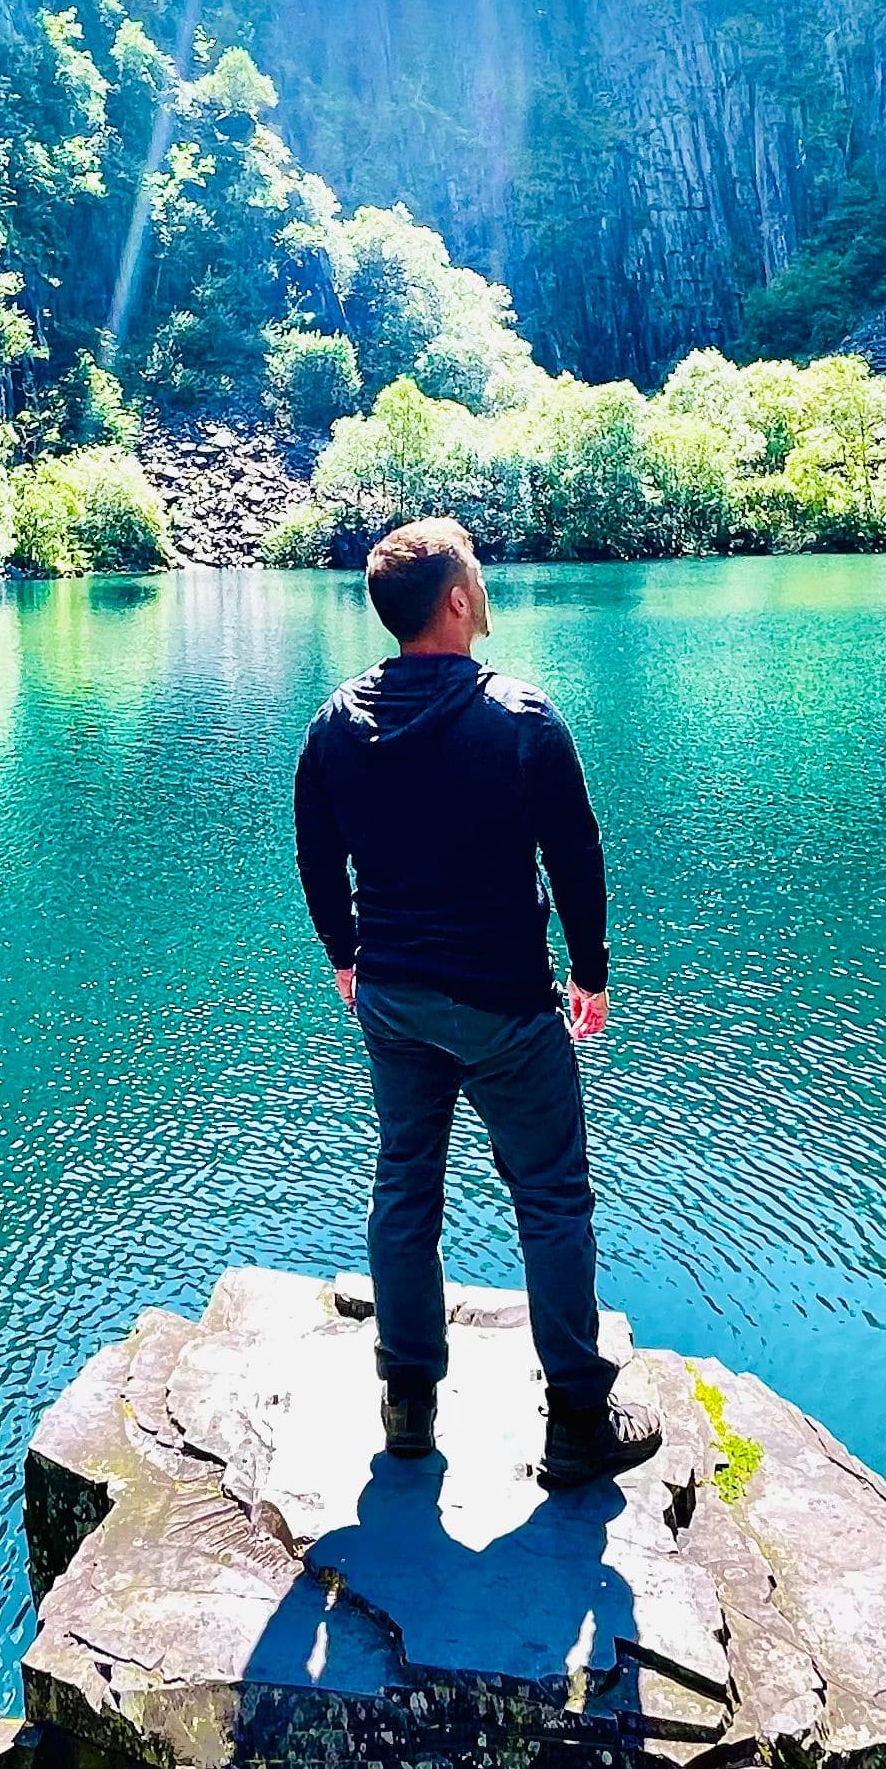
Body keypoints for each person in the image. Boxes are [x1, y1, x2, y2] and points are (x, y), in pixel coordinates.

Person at [291, 516, 661, 1489]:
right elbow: (576, 859)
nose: (485, 588)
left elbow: (316, 855)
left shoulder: (335, 724)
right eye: (478, 576)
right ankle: (579, 1417)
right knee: (549, 1197)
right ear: (456, 600)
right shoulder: (522, 718)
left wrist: (345, 955)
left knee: (405, 1185)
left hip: (396, 999)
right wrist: (591, 973)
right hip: (506, 1008)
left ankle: (407, 1401)